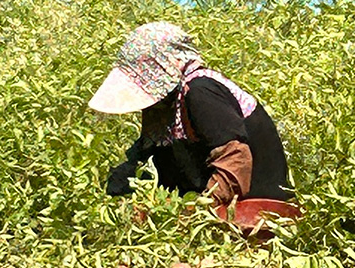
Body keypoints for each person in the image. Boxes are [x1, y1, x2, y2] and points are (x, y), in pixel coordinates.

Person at [89, 21, 293, 207]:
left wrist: (197, 213)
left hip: (257, 208)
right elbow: (149, 154)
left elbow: (235, 159)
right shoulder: (166, 105)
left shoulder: (201, 93)